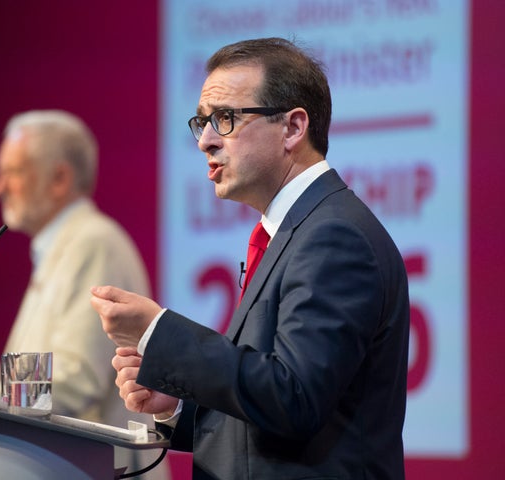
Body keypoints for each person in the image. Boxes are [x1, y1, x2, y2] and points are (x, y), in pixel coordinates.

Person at [91, 38, 409, 479]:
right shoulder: (297, 230)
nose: (205, 141)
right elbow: (267, 402)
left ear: (294, 128)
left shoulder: (334, 236)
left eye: (224, 119)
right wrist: (178, 404)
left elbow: (294, 398)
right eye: (202, 122)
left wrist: (158, 332)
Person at [0, 110, 169, 479]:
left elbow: (73, 379)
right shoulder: (63, 246)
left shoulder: (92, 242)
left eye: (12, 172)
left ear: (59, 178)